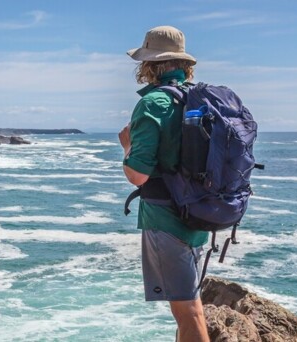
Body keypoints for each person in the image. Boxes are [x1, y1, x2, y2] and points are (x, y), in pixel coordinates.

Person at [119, 26, 211, 342]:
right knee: (191, 303)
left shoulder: (154, 103)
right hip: (199, 212)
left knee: (187, 311)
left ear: (149, 65)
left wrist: (127, 147)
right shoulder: (199, 100)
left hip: (165, 218)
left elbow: (138, 175)